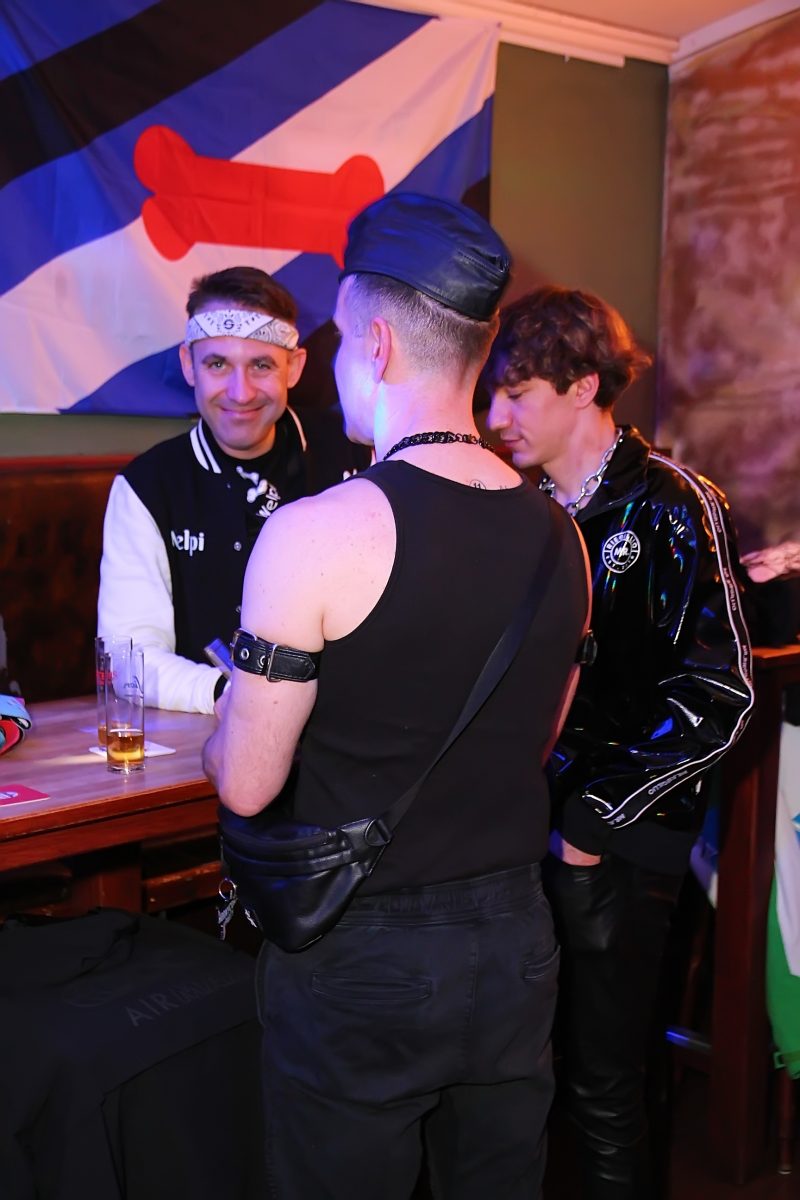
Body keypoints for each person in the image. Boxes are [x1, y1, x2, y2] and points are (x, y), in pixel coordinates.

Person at [203, 194, 591, 1199]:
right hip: (515, 939)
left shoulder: (315, 532)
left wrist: (226, 712)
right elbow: (538, 735)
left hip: (362, 954)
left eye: (336, 342)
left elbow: (246, 786)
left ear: (374, 344)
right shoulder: (563, 536)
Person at [484, 285, 755, 1199]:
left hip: (621, 837)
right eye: (494, 394)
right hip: (524, 830)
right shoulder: (519, 507)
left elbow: (720, 691)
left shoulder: (674, 503)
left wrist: (594, 823)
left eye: (516, 393)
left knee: (605, 1087)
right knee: (524, 1075)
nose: (496, 416)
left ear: (583, 386)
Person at [98, 266, 368, 714]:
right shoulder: (147, 487)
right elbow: (129, 658)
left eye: (261, 365)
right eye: (217, 364)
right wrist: (232, 696)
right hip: (207, 735)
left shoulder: (357, 458)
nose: (240, 393)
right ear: (189, 365)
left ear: (294, 367)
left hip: (349, 729)